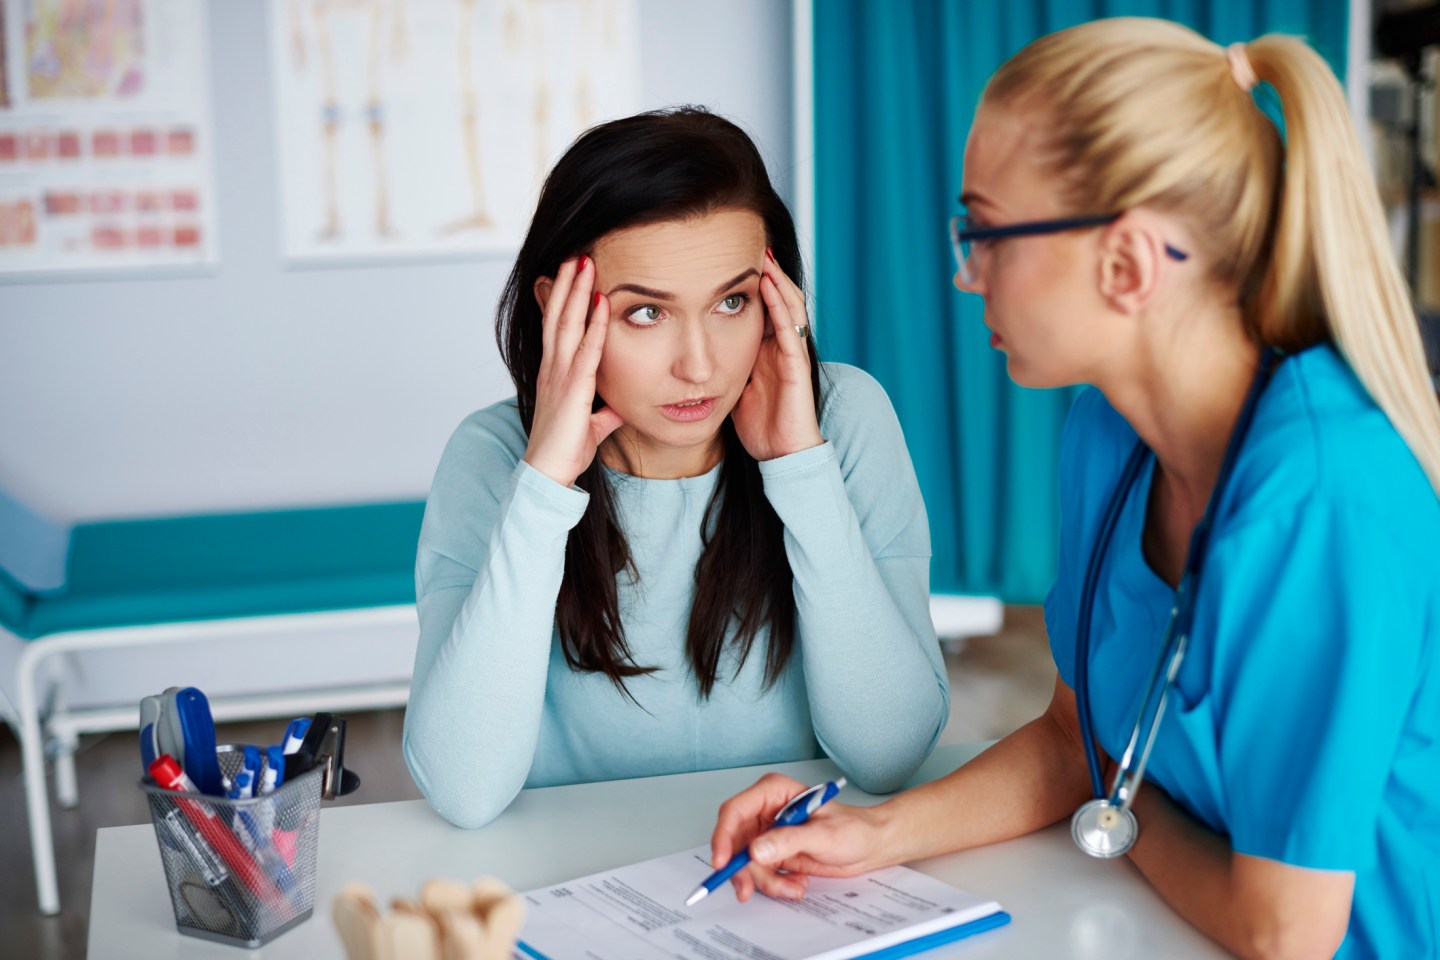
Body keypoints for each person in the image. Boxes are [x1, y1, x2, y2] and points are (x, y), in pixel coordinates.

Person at [706, 19, 1440, 960]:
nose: (968, 277)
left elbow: (1282, 930)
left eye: (986, 233)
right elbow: (1072, 735)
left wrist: (1117, 808)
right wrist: (873, 837)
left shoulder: (1325, 498)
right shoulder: (1109, 430)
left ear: (1128, 265)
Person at [404, 107, 950, 830]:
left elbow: (889, 753)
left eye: (732, 302)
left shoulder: (841, 419)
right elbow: (463, 790)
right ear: (557, 310)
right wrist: (543, 489)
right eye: (645, 314)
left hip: (788, 884)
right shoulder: (495, 454)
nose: (700, 365)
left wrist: (800, 469)